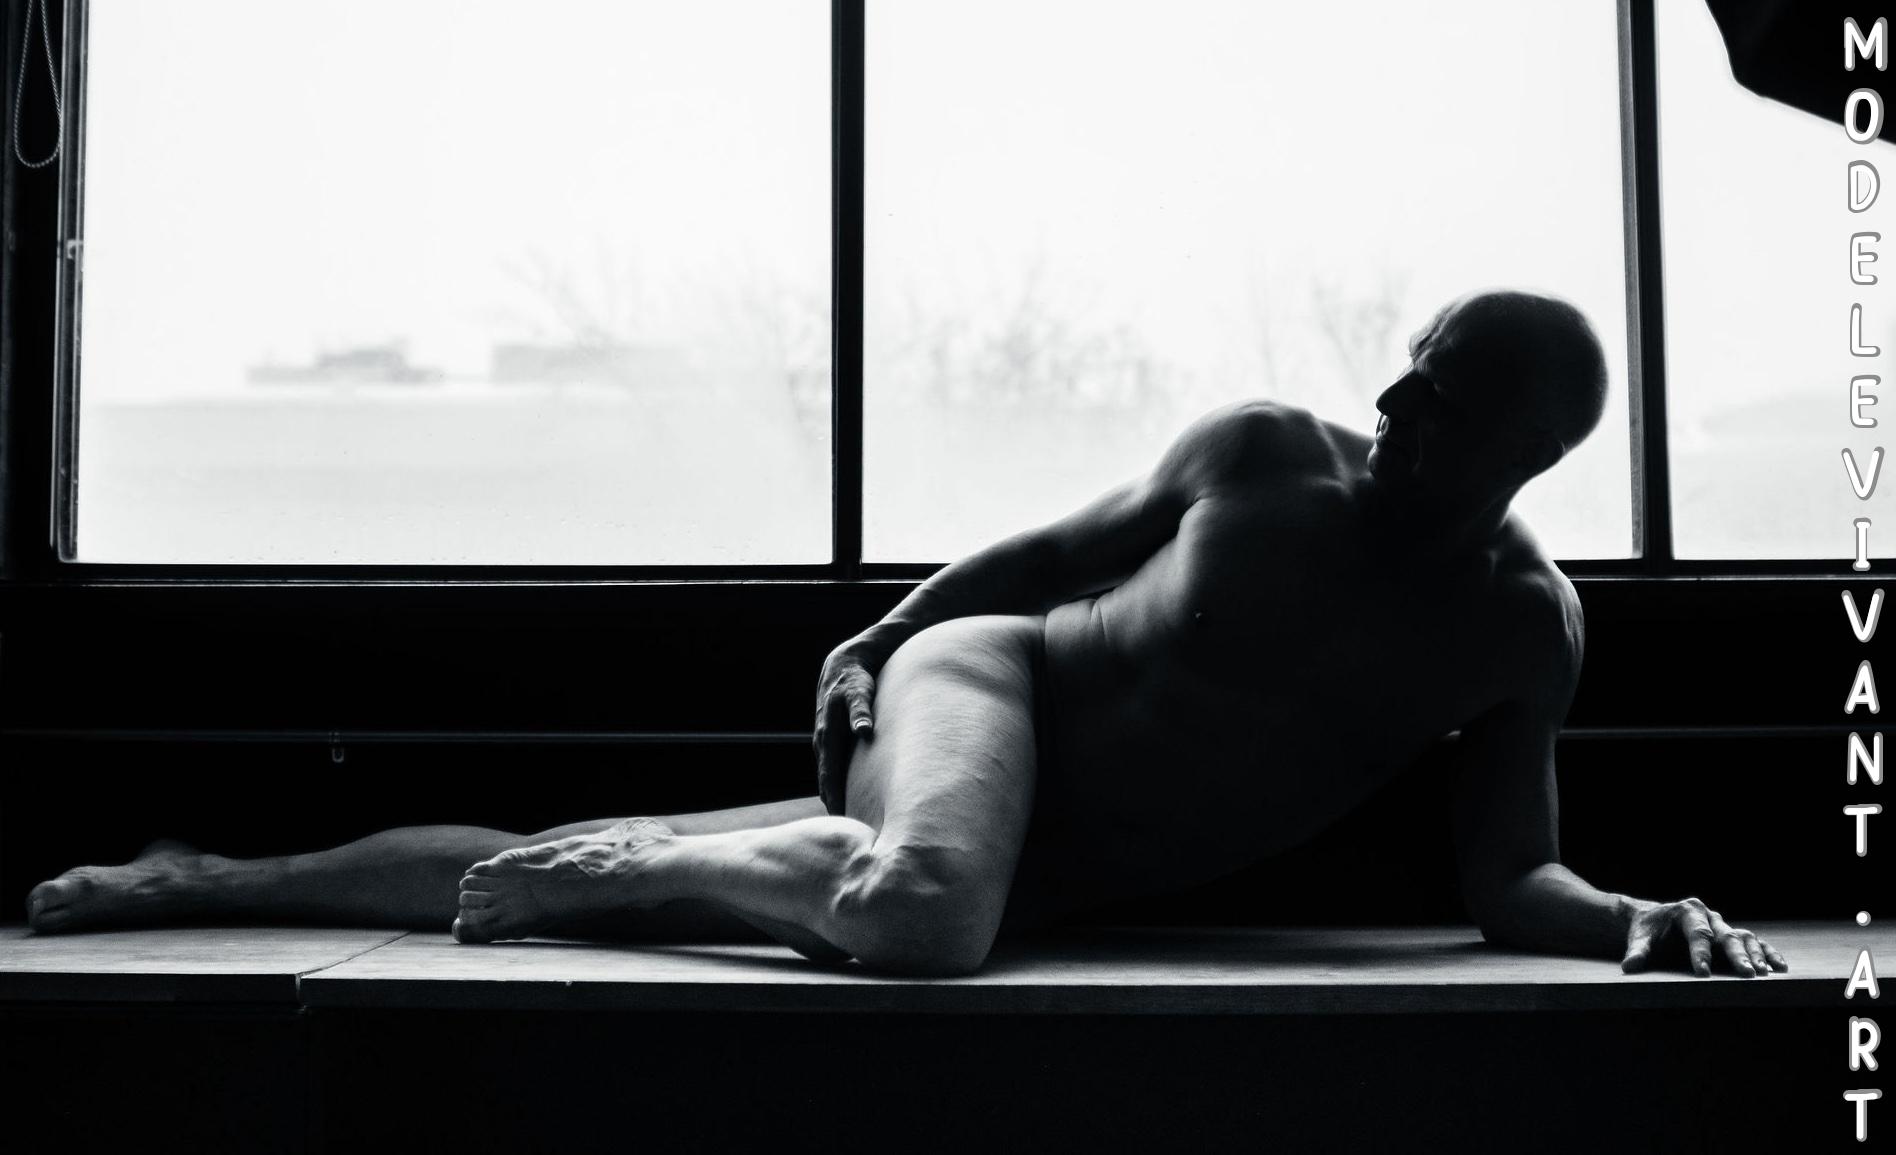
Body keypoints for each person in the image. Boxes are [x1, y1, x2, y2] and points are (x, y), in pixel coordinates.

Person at [24, 289, 1788, 981]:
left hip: (1056, 863)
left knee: (556, 864)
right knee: (924, 916)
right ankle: (661, 865)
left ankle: (201, 878)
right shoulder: (1266, 458)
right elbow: (1043, 559)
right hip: (989, 685)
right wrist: (883, 637)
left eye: (1448, 391)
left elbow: (1509, 881)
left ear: (1534, 450)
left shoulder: (1520, 634)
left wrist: (1638, 918)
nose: (1398, 398)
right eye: (1409, 364)